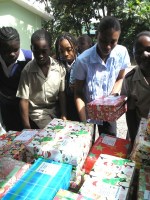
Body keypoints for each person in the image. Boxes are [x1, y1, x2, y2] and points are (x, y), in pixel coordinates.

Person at [74, 16, 130, 136]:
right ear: (97, 35)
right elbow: (78, 92)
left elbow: (120, 77)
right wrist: (85, 123)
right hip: (87, 114)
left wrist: (112, 98)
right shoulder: (83, 60)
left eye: (113, 42)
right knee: (87, 147)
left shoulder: (122, 53)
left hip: (108, 114)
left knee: (108, 146)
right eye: (104, 40)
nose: (108, 46)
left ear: (118, 38)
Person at [17, 29, 66, 129]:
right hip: (37, 113)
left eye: (44, 51)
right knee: (54, 132)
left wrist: (64, 115)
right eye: (36, 51)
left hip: (55, 110)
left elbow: (62, 93)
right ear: (31, 48)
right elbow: (23, 100)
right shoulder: (27, 71)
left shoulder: (59, 68)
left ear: (50, 49)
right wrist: (27, 127)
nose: (40, 56)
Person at [0, 26, 32, 131]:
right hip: (4, 108)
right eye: (6, 50)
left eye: (15, 49)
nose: (12, 54)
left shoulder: (29, 58)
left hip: (24, 109)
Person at [121, 31, 150, 144]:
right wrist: (133, 139)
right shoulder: (130, 80)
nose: (144, 55)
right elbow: (130, 111)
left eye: (148, 49)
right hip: (139, 132)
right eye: (138, 52)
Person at [55, 32, 80, 121]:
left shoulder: (82, 63)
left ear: (75, 47)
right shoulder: (58, 65)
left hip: (80, 107)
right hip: (63, 108)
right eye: (61, 51)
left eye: (69, 49)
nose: (65, 54)